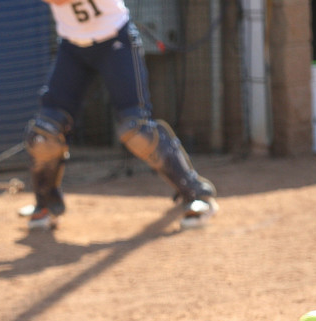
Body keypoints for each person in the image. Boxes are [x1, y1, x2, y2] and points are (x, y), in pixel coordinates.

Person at [23, 0, 219, 231]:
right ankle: (45, 204)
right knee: (45, 132)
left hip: (115, 41)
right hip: (72, 47)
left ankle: (196, 193)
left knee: (136, 129)